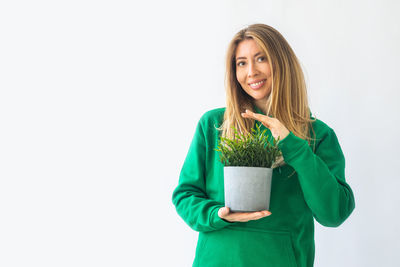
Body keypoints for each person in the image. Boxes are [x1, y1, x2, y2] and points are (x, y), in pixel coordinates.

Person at [171, 23, 355, 267]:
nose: (251, 72)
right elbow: (185, 195)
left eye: (261, 59)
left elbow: (334, 213)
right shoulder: (214, 125)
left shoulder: (317, 135)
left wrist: (293, 145)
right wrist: (218, 214)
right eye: (241, 63)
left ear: (282, 63)